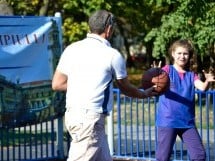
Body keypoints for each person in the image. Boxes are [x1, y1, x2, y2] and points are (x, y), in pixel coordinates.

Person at [52, 9, 157, 161]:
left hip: (74, 114)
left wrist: (84, 85)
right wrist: (144, 93)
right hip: (90, 119)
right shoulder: (112, 55)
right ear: (109, 29)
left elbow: (57, 83)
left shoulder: (71, 49)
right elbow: (125, 87)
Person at [155, 39, 215, 161]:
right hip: (168, 121)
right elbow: (156, 84)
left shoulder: (191, 75)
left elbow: (202, 88)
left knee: (199, 156)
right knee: (163, 157)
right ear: (173, 54)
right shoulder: (167, 70)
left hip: (187, 122)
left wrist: (207, 81)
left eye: (185, 54)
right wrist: (154, 74)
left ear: (189, 56)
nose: (182, 56)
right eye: (179, 53)